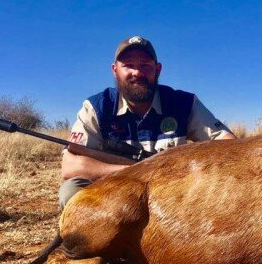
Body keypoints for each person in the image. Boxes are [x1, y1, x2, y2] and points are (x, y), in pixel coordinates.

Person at [59, 35, 236, 208]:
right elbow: (70, 166)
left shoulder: (184, 103)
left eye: (145, 65)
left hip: (174, 190)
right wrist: (139, 171)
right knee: (71, 192)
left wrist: (188, 168)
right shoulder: (97, 107)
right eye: (128, 65)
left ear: (157, 69)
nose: (137, 72)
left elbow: (230, 145)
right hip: (114, 190)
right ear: (115, 70)